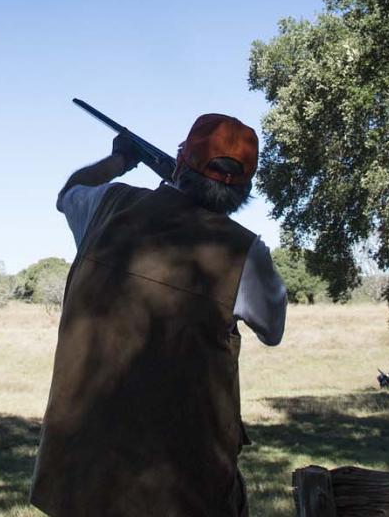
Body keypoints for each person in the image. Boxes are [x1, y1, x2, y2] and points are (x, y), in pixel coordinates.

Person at [31, 114, 287, 517]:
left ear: (182, 160)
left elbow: (70, 192)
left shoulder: (107, 206)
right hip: (180, 489)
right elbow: (273, 329)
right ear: (245, 188)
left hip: (79, 480)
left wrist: (120, 160)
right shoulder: (245, 253)